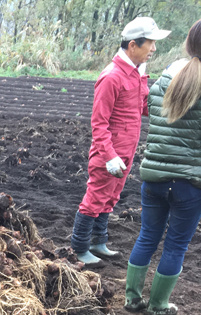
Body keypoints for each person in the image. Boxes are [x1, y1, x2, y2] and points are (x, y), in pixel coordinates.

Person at [69, 17, 171, 265]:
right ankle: (80, 248)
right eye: (151, 43)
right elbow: (99, 124)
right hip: (109, 155)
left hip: (125, 152)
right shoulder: (112, 77)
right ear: (134, 45)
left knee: (110, 197)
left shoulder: (136, 75)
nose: (154, 49)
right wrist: (109, 156)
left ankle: (99, 242)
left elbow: (143, 108)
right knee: (94, 198)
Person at [124, 19, 201, 315]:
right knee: (176, 246)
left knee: (147, 236)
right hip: (189, 183)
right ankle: (158, 305)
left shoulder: (165, 78)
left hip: (153, 178)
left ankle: (132, 299)